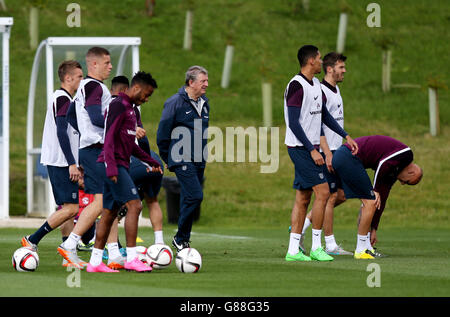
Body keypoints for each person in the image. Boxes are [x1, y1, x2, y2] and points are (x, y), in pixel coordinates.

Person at [283, 45, 358, 262]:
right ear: (310, 62)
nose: (320, 61)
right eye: (318, 58)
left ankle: (293, 250)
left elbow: (325, 115)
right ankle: (317, 246)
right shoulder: (296, 86)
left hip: (308, 148)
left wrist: (346, 135)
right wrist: (312, 150)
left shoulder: (315, 84)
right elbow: (294, 124)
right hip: (300, 148)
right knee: (324, 193)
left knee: (303, 198)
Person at [86, 71, 162, 273]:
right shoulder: (117, 105)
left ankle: (94, 263)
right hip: (113, 166)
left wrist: (150, 160)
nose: (146, 99)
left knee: (109, 213)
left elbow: (131, 145)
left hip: (121, 164)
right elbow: (109, 137)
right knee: (135, 206)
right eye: (146, 94)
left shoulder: (132, 110)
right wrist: (111, 167)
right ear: (136, 88)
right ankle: (132, 258)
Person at [58, 47, 112, 269]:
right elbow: (95, 117)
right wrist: (119, 125)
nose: (110, 66)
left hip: (91, 149)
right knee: (101, 202)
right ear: (94, 64)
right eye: (107, 63)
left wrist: (84, 134)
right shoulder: (93, 86)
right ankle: (71, 244)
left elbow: (72, 116)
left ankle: (109, 253)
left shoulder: (85, 87)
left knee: (108, 202)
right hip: (95, 150)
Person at [21, 60, 83, 253]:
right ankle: (32, 239)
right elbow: (62, 132)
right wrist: (72, 163)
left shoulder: (63, 98)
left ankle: (68, 252)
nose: (82, 80)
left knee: (67, 208)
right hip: (62, 162)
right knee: (72, 209)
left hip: (60, 161)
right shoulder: (63, 99)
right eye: (80, 77)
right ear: (68, 78)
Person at [332, 135, 423, 259]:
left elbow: (383, 199)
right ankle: (361, 249)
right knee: (371, 200)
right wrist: (374, 190)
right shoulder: (406, 155)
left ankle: (304, 225)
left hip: (347, 158)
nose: (402, 183)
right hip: (347, 156)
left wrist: (374, 227)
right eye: (407, 182)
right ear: (412, 172)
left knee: (336, 198)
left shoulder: (394, 170)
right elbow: (382, 163)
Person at [299, 52, 352, 255]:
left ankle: (302, 225)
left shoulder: (335, 89)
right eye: (341, 67)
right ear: (330, 69)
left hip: (338, 150)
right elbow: (317, 125)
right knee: (329, 196)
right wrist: (327, 152)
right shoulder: (320, 91)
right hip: (326, 151)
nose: (344, 71)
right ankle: (329, 245)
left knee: (341, 195)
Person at [157, 65, 209, 252]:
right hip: (180, 157)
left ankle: (182, 240)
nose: (206, 84)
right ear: (191, 82)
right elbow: (162, 133)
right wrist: (168, 157)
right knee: (196, 195)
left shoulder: (205, 103)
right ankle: (180, 238)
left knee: (190, 197)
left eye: (207, 81)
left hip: (199, 159)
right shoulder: (174, 103)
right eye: (203, 81)